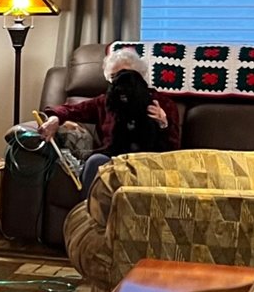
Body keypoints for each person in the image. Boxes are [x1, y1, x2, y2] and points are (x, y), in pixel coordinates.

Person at [39, 46, 180, 195]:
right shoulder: (105, 102)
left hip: (148, 162)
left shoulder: (162, 104)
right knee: (95, 162)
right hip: (111, 160)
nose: (121, 84)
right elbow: (71, 110)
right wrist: (55, 118)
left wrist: (163, 124)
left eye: (126, 75)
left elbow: (174, 150)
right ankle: (89, 213)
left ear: (139, 77)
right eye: (114, 77)